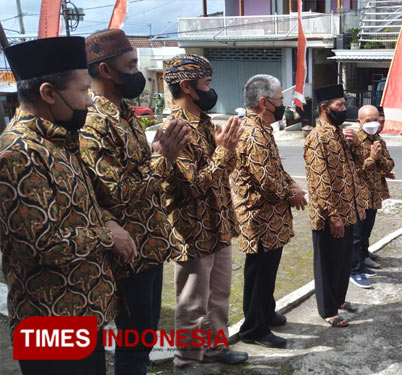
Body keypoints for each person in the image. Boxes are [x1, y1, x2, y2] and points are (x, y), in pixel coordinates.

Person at [0, 36, 136, 375]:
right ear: (48, 93)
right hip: (49, 321)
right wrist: (109, 238)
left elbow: (84, 203)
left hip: (83, 311)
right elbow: (40, 243)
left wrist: (108, 222)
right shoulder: (19, 153)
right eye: (83, 91)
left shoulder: (58, 141)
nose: (90, 102)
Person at [79, 29, 189, 375]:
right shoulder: (94, 122)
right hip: (128, 252)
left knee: (142, 339)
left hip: (149, 246)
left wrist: (158, 156)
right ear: (106, 71)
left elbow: (140, 174)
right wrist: (163, 159)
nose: (137, 73)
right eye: (131, 65)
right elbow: (116, 192)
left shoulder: (125, 114)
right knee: (133, 347)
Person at [158, 54, 248, 375]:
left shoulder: (207, 124)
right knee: (192, 301)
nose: (212, 91)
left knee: (220, 294)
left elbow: (222, 174)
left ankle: (215, 346)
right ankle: (186, 361)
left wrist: (229, 150)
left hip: (219, 225)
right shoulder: (174, 130)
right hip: (192, 230)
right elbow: (194, 186)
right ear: (187, 86)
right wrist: (224, 152)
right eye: (207, 84)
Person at [232, 74, 307, 348]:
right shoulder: (254, 134)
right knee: (259, 274)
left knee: (267, 272)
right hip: (260, 218)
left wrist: (293, 184)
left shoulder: (262, 129)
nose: (282, 107)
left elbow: (276, 170)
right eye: (279, 101)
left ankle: (265, 312)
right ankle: (253, 328)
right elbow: (267, 181)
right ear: (264, 102)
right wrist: (293, 194)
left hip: (269, 218)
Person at [304, 84, 367, 327]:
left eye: (344, 104)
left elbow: (354, 170)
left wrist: (356, 145)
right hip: (329, 215)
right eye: (339, 105)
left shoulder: (341, 134)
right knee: (327, 264)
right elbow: (319, 181)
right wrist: (333, 216)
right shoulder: (316, 138)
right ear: (324, 108)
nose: (344, 109)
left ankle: (339, 300)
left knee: (342, 262)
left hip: (348, 210)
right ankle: (327, 310)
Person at [349, 104, 395, 289]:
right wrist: (371, 159)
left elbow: (389, 165)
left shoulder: (379, 140)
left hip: (374, 195)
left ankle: (362, 262)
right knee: (356, 235)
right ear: (359, 122)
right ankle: (354, 271)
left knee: (366, 232)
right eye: (369, 121)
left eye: (376, 120)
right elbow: (352, 171)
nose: (374, 124)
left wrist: (379, 159)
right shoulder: (352, 141)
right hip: (358, 195)